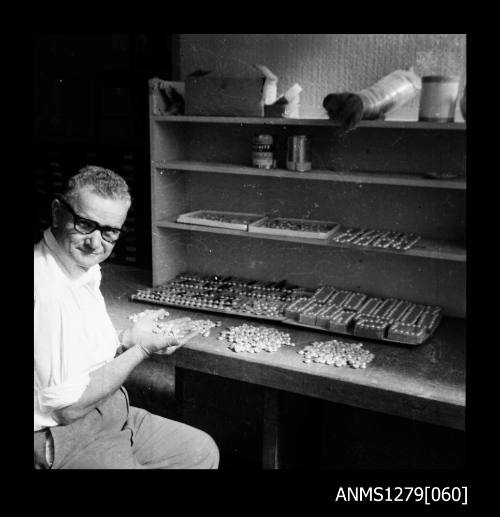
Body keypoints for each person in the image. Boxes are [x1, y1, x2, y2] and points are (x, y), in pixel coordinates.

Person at [34, 165, 219, 469]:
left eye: (109, 231)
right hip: (63, 436)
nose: (95, 242)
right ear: (57, 213)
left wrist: (126, 339)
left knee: (200, 450)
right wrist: (140, 350)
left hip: (106, 411)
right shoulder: (48, 290)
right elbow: (67, 409)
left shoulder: (79, 267)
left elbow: (80, 356)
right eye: (84, 224)